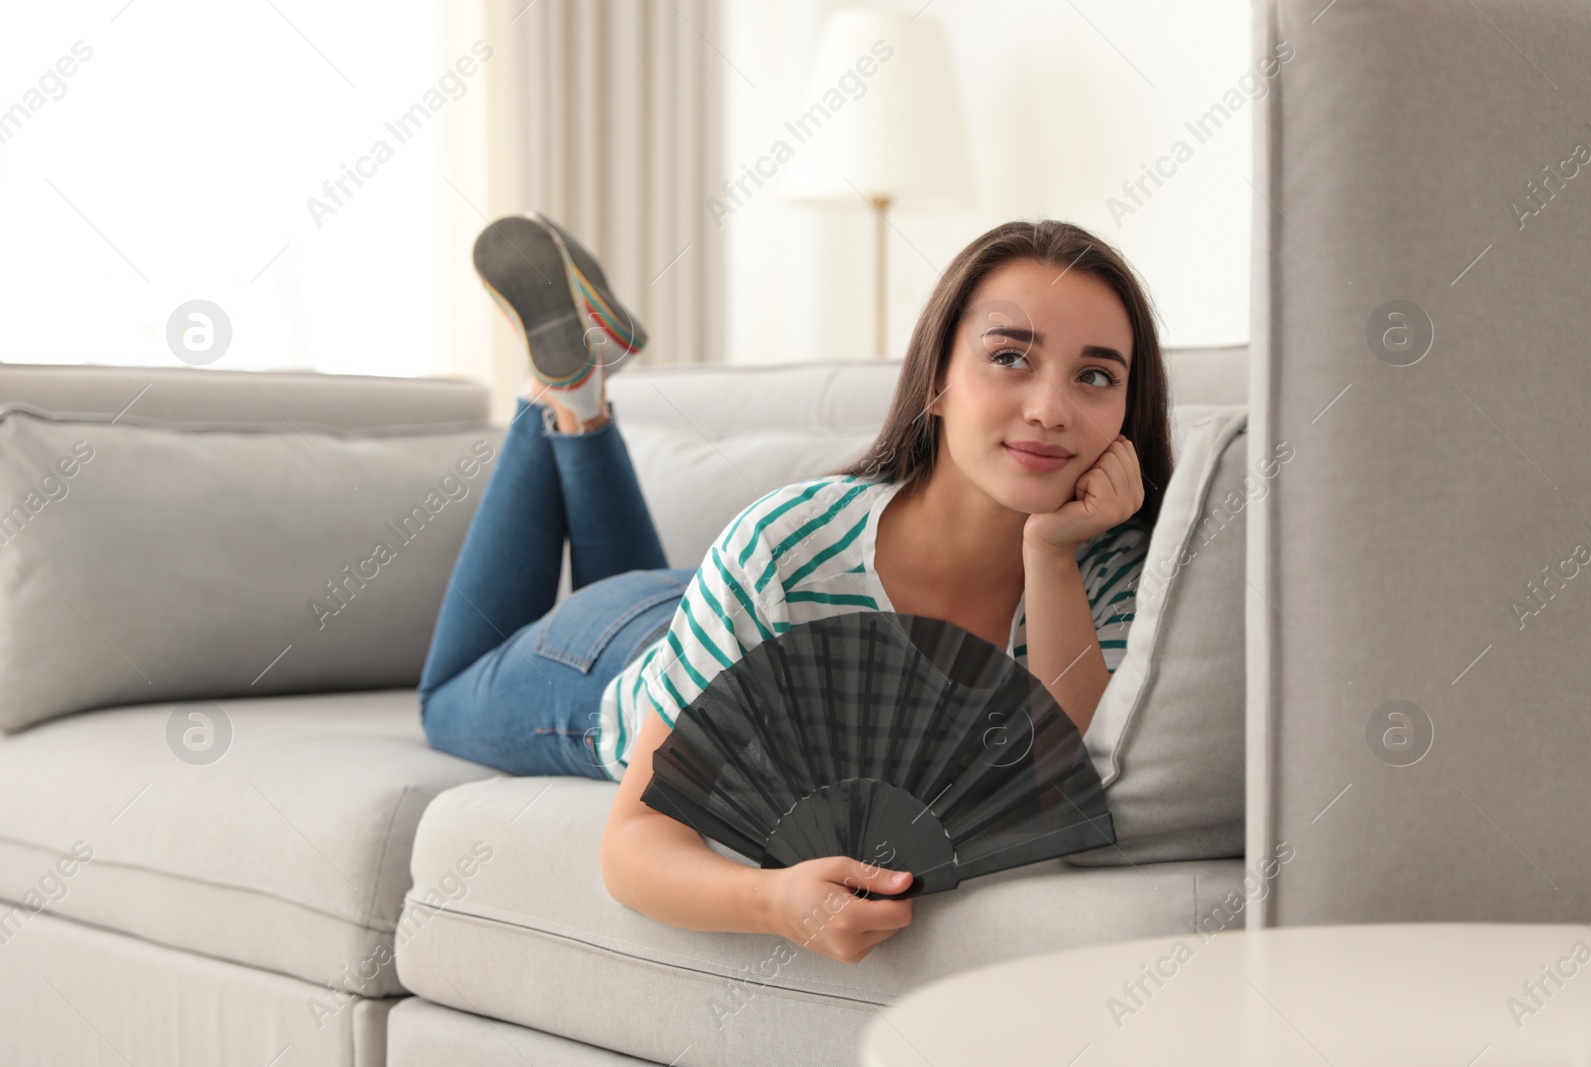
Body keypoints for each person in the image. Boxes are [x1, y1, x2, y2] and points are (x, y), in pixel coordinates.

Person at [418, 214, 1174, 965]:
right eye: (1010, 357)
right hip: (614, 662)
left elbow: (1058, 783)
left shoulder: (1106, 565)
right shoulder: (783, 544)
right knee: (445, 694)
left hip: (716, 608)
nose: (1050, 409)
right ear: (936, 381)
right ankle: (557, 393)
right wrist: (773, 903)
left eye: (1096, 375)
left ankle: (583, 390)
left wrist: (1047, 554)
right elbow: (633, 844)